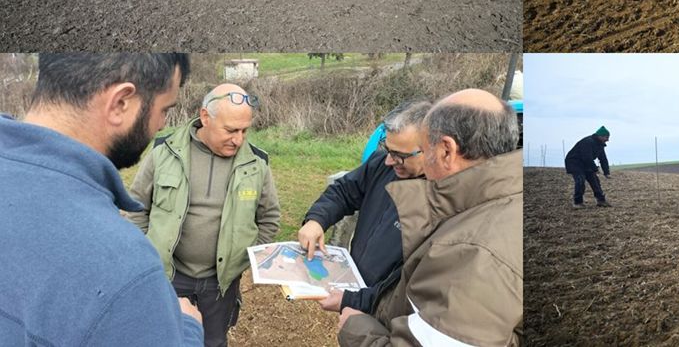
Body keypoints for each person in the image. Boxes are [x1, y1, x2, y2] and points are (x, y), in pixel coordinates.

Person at [0, 53, 204, 345]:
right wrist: (188, 329)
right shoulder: (125, 270)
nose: (162, 125)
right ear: (121, 102)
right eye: (164, 109)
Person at [337, 89, 523, 346]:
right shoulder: (491, 206)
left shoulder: (475, 254)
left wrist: (356, 328)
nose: (392, 162)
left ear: (447, 150)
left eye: (424, 149)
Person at [128, 83, 281, 347]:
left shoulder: (256, 164)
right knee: (164, 339)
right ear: (205, 117)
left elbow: (269, 219)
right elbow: (135, 208)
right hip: (168, 275)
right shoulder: (164, 152)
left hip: (220, 284)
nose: (239, 139)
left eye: (245, 130)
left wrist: (241, 258)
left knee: (213, 341)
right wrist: (150, 254)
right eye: (231, 130)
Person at [297, 100, 431, 315]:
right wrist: (317, 219)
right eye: (388, 149)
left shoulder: (442, 201)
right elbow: (344, 191)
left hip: (389, 314)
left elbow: (406, 287)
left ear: (433, 148)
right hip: (357, 291)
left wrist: (353, 301)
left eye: (400, 156)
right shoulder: (381, 165)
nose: (389, 161)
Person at [564, 126, 612, 208]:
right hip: (574, 162)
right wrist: (595, 169)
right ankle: (577, 202)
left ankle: (601, 200)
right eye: (606, 137)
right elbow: (587, 157)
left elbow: (603, 159)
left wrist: (606, 172)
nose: (607, 140)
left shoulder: (600, 145)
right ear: (600, 136)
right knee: (580, 179)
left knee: (595, 181)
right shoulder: (588, 142)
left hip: (585, 163)